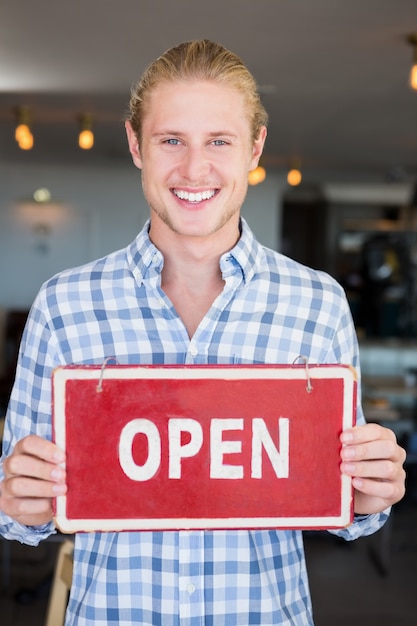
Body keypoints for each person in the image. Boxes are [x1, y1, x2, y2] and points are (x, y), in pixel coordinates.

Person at [0, 40, 406, 625]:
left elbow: (343, 503)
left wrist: (368, 493)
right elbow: (20, 512)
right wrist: (20, 498)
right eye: (172, 141)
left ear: (255, 149)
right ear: (137, 145)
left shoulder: (318, 303)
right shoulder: (65, 304)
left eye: (219, 140)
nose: (195, 169)